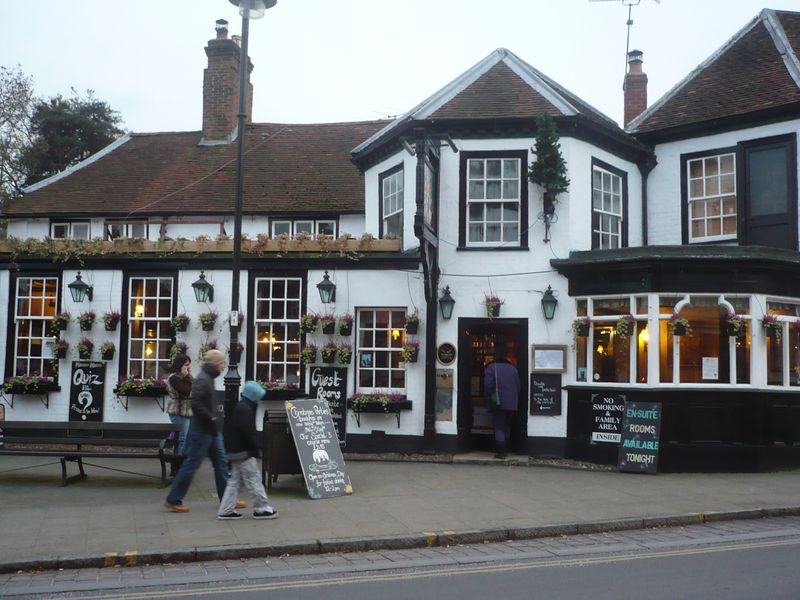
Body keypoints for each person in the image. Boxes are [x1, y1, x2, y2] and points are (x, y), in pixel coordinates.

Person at [165, 349, 236, 513]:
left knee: (221, 463)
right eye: (221, 364)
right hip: (202, 430)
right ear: (214, 364)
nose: (223, 366)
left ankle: (227, 499)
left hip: (211, 430)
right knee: (191, 465)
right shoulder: (203, 380)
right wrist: (210, 416)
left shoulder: (208, 378)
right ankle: (173, 499)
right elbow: (196, 403)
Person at [217, 381, 278, 520]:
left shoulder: (240, 407)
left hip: (235, 450)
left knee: (235, 481)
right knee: (254, 479)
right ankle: (261, 508)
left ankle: (225, 509)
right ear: (254, 396)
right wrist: (256, 447)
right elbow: (248, 433)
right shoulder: (246, 409)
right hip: (244, 452)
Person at [484, 346, 521, 459]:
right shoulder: (513, 368)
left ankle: (501, 452)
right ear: (506, 355)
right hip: (512, 403)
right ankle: (506, 448)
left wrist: (489, 397)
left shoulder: (491, 367)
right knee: (507, 425)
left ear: (495, 355)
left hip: (498, 402)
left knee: (499, 426)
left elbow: (487, 386)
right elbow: (518, 387)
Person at [165, 354, 193, 466]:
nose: (188, 367)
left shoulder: (184, 376)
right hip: (178, 410)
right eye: (186, 365)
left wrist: (187, 376)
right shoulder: (174, 378)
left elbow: (192, 386)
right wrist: (187, 376)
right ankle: (177, 464)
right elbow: (185, 390)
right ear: (180, 365)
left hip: (185, 411)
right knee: (181, 438)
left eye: (189, 365)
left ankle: (179, 462)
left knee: (183, 438)